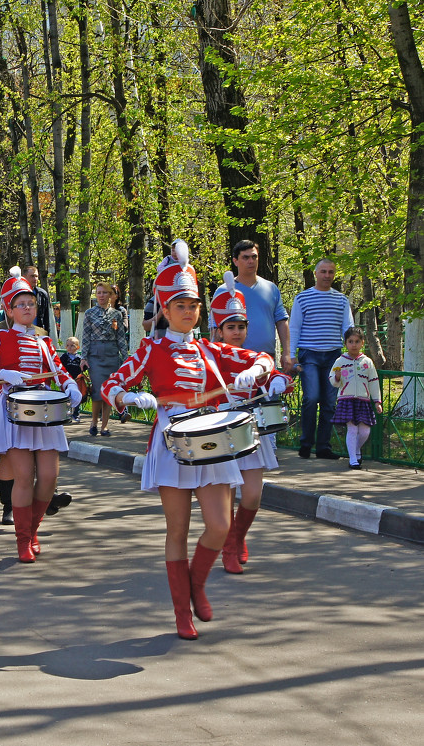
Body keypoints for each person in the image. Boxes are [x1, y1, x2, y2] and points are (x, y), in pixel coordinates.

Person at [101, 241, 273, 640]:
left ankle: (197, 584)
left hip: (212, 441)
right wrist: (129, 396)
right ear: (165, 309)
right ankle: (182, 612)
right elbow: (112, 384)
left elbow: (262, 358)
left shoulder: (209, 349)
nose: (189, 311)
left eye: (194, 305)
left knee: (218, 525)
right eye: (181, 305)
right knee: (177, 530)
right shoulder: (150, 348)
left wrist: (255, 372)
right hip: (172, 442)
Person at [0, 267, 82, 562]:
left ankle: (33, 530)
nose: (27, 308)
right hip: (14, 411)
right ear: (9, 309)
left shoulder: (44, 340)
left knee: (48, 476)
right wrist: (1, 372)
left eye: (31, 303)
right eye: (21, 304)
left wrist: (70, 384)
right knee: (24, 476)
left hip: (44, 411)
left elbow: (57, 369)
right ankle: (23, 540)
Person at [208, 273, 289, 574]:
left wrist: (279, 381)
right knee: (227, 493)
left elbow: (271, 370)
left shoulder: (255, 356)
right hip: (220, 432)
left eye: (241, 326)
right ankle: (229, 546)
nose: (237, 332)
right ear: (219, 330)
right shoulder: (208, 355)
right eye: (231, 327)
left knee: (253, 494)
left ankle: (238, 537)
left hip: (252, 431)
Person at [288, 259, 352, 459]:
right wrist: (291, 355)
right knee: (311, 397)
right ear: (316, 273)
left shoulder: (341, 300)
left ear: (334, 274)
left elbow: (347, 328)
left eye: (331, 272)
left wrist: (352, 356)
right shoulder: (303, 298)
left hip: (334, 356)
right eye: (323, 271)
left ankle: (323, 447)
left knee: (329, 403)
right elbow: (295, 327)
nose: (327, 275)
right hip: (310, 355)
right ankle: (306, 443)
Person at [213, 240, 290, 360]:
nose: (251, 261)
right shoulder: (224, 290)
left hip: (266, 357)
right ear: (235, 261)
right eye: (245, 257)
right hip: (234, 357)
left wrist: (287, 353)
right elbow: (215, 327)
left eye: (254, 257)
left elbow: (281, 321)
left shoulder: (271, 288)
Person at [81, 281, 129, 436]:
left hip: (112, 355)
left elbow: (121, 337)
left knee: (110, 391)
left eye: (104, 293)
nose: (101, 296)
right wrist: (83, 357)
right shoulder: (89, 313)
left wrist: (126, 358)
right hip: (95, 356)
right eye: (98, 292)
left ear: (110, 295)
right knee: (97, 391)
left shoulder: (117, 314)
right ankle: (94, 422)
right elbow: (85, 337)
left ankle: (105, 426)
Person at [330, 327, 382, 470]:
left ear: (362, 343)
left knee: (365, 431)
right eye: (350, 341)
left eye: (357, 341)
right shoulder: (340, 361)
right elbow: (332, 380)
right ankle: (353, 459)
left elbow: (373, 381)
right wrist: (337, 378)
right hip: (346, 400)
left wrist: (377, 401)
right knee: (352, 430)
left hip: (363, 401)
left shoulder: (367, 362)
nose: (354, 344)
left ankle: (356, 449)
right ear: (345, 343)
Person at [24, 265, 57, 338]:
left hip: (37, 334)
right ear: (24, 277)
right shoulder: (16, 294)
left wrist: (46, 335)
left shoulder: (42, 294)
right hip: (21, 334)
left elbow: (46, 318)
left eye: (36, 276)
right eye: (32, 276)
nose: (35, 279)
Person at [61, 337, 84, 422]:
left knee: (76, 397)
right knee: (66, 398)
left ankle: (76, 414)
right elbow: (60, 367)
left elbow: (83, 368)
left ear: (77, 347)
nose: (69, 347)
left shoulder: (79, 358)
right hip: (67, 380)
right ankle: (67, 414)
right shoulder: (64, 357)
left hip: (77, 380)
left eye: (72, 345)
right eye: (67, 345)